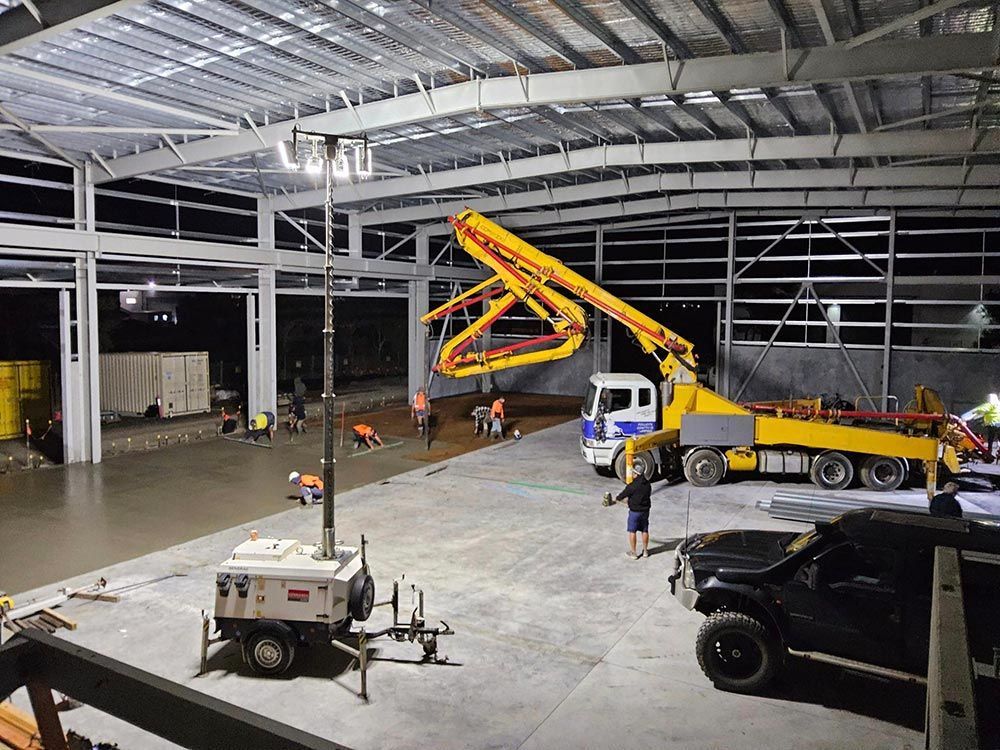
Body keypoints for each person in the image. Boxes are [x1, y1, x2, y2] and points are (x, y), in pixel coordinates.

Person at [616, 471, 652, 559]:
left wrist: (618, 499)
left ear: (636, 474)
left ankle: (633, 552)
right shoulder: (648, 484)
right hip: (645, 511)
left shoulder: (633, 485)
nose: (631, 474)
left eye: (633, 472)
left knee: (632, 531)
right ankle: (645, 551)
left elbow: (621, 496)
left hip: (635, 512)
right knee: (645, 530)